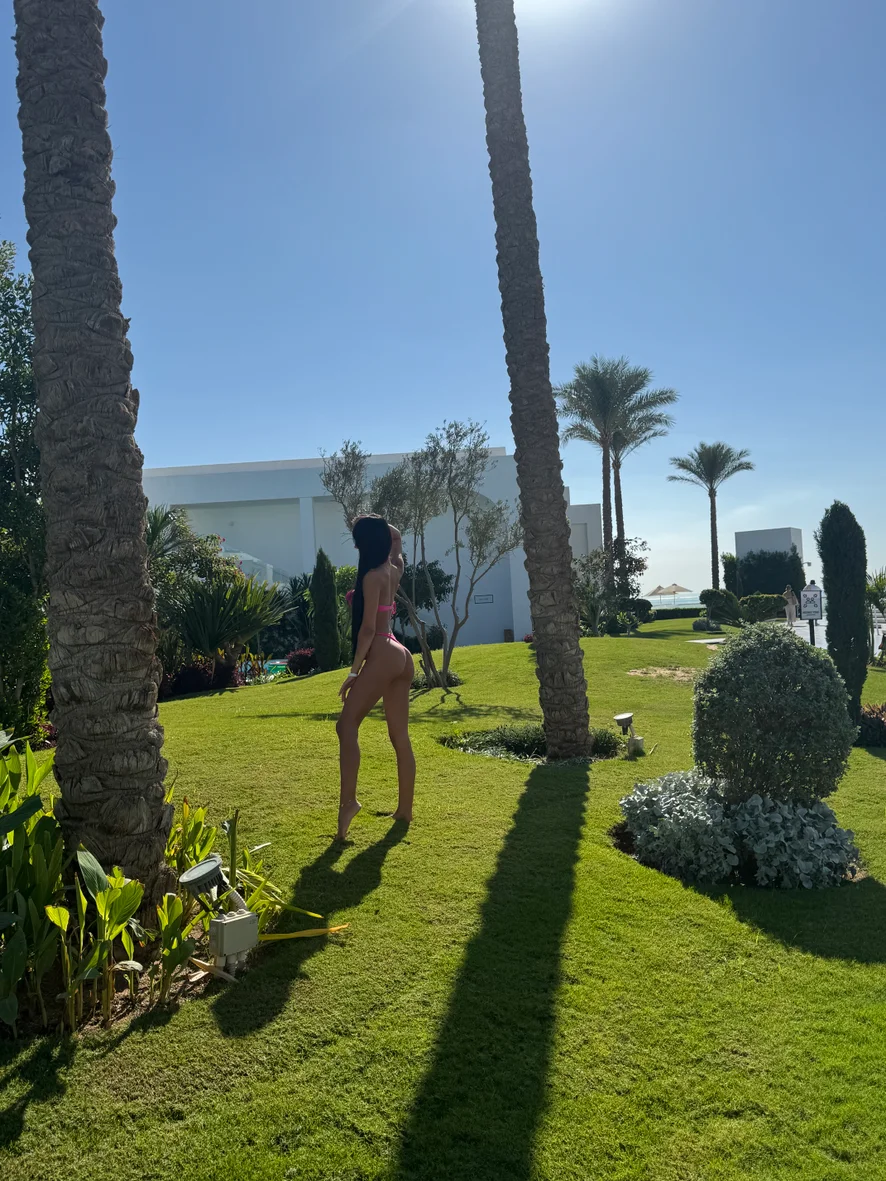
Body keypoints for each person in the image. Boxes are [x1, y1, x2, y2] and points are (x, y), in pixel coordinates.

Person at [335, 514, 415, 840]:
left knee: (346, 725)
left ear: (362, 545)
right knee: (400, 737)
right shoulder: (394, 569)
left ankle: (349, 802)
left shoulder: (371, 576)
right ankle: (404, 810)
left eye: (357, 540)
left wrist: (354, 671)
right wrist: (379, 526)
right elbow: (396, 538)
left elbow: (368, 630)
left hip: (382, 651)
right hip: (401, 654)